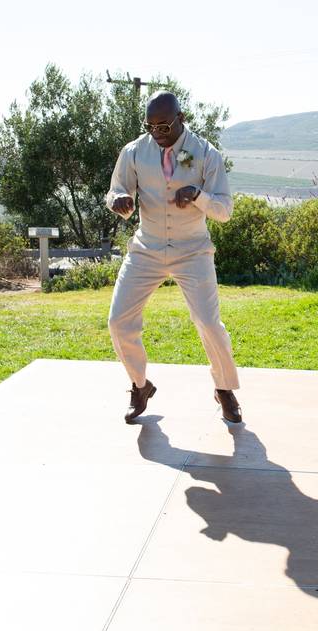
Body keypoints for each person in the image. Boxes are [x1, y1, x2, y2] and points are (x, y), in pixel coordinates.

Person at [106, 91, 242, 424]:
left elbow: (223, 210)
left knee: (209, 323)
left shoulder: (206, 153)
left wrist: (198, 196)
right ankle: (140, 386)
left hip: (192, 249)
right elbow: (114, 190)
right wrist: (119, 200)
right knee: (118, 321)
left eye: (164, 125)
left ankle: (224, 389)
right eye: (150, 126)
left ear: (181, 118)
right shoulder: (134, 151)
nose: (157, 132)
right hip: (147, 248)